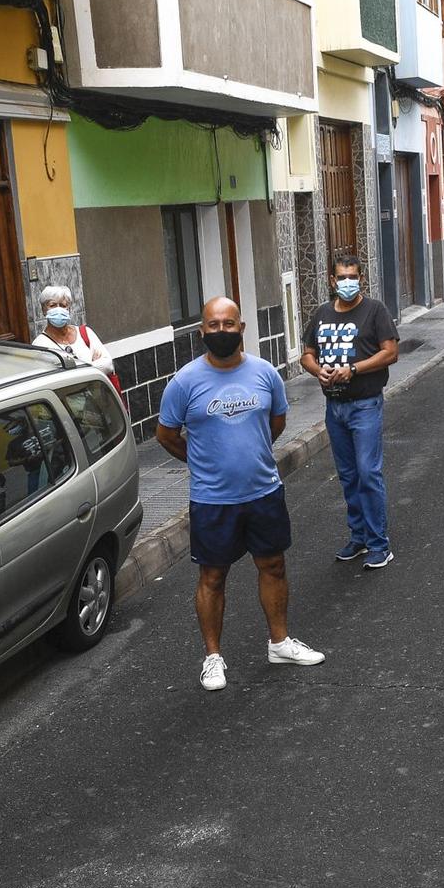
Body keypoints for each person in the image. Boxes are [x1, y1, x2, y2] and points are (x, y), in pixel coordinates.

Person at [163, 296, 326, 690]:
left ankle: (280, 642)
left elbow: (277, 420)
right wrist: (203, 462)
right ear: (202, 331)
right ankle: (213, 658)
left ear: (242, 328)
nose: (221, 331)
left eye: (228, 324)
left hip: (263, 491)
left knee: (273, 566)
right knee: (213, 576)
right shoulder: (184, 382)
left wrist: (251, 452)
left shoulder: (265, 373)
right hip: (212, 500)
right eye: (213, 325)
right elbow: (166, 435)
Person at [300, 251, 400, 570]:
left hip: (365, 405)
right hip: (335, 408)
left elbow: (391, 353)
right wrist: (319, 371)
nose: (347, 282)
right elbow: (307, 354)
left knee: (368, 472)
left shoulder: (375, 311)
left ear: (361, 279)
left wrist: (353, 369)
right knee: (348, 475)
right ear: (332, 280)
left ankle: (378, 544)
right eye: (341, 277)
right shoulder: (321, 314)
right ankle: (358, 536)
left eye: (352, 277)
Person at [30, 284, 117, 388]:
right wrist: (92, 365)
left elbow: (108, 364)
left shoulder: (85, 333)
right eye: (52, 305)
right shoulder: (40, 344)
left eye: (63, 305)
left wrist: (73, 372)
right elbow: (53, 381)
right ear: (44, 310)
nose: (58, 310)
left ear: (69, 309)